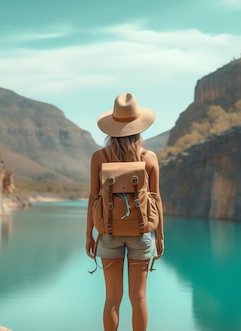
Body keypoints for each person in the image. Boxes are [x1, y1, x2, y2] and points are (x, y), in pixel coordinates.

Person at [86, 93, 165, 331]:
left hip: (108, 232)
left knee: (112, 299)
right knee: (139, 297)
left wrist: (89, 235)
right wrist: (159, 236)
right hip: (141, 232)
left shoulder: (99, 157)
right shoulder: (148, 158)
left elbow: (92, 198)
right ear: (138, 127)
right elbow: (156, 198)